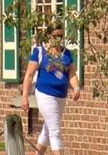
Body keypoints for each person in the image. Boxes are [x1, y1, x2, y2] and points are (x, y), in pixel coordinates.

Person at [20, 26, 79, 155]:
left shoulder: (67, 54)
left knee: (47, 130)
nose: (58, 39)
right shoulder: (40, 52)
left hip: (61, 96)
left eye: (60, 36)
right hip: (45, 95)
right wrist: (25, 96)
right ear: (48, 36)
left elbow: (72, 74)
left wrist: (76, 87)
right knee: (55, 131)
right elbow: (29, 75)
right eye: (55, 36)